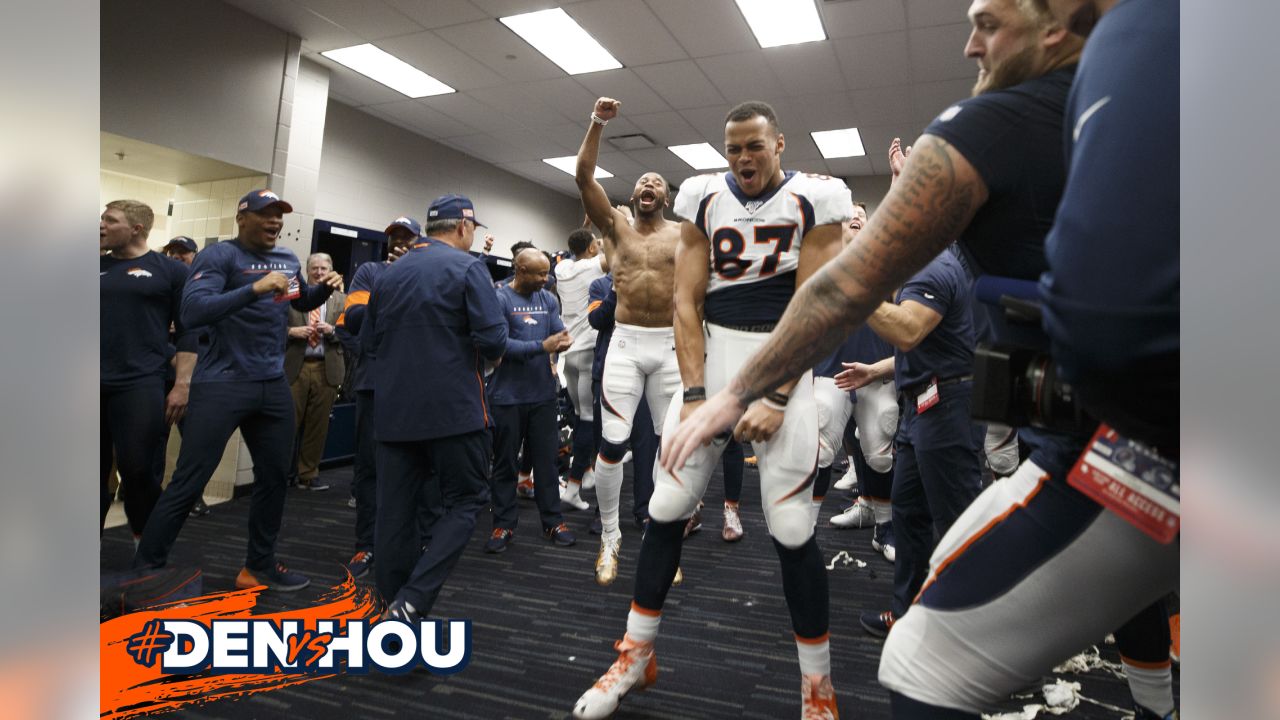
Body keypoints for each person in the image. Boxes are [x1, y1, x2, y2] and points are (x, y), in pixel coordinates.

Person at [662, 2, 1176, 717]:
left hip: (1137, 449)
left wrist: (736, 391)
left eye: (988, 23)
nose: (970, 45)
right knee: (1048, 566)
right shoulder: (1148, 83)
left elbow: (842, 286)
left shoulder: (997, 120)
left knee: (921, 660)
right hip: (1141, 433)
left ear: (1055, 23)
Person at [572, 101, 850, 720]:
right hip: (715, 355)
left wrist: (776, 396)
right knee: (666, 507)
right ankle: (636, 654)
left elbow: (816, 305)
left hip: (783, 357)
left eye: (756, 146)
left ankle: (818, 689)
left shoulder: (818, 197)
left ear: (780, 144)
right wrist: (697, 397)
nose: (744, 158)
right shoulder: (701, 195)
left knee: (792, 531)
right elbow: (686, 302)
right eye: (734, 149)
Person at [133, 189, 342, 593]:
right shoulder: (220, 257)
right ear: (241, 217)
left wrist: (323, 290)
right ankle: (146, 572)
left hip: (271, 382)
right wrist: (254, 289)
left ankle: (258, 566)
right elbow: (192, 312)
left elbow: (295, 296)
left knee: (274, 477)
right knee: (190, 482)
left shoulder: (286, 258)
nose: (274, 222)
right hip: (222, 384)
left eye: (279, 215)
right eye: (265, 214)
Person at [363, 194, 507, 622]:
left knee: (394, 514)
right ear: (464, 227)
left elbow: (368, 342)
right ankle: (410, 602)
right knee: (466, 502)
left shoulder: (386, 275)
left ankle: (393, 612)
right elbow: (495, 341)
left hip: (393, 415)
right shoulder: (469, 267)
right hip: (454, 413)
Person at [852, 242, 985, 638]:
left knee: (957, 522)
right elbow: (925, 345)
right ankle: (908, 614)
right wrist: (875, 370)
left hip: (945, 407)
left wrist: (853, 290)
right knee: (909, 512)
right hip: (920, 407)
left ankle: (975, 634)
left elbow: (907, 330)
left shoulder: (930, 267)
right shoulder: (920, 268)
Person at [574, 96, 682, 585]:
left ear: (666, 197)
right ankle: (610, 538)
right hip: (624, 343)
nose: (648, 185)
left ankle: (663, 543)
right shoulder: (614, 227)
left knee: (668, 450)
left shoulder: (684, 235)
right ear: (633, 194)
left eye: (657, 183)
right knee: (613, 447)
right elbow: (583, 177)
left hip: (670, 349)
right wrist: (598, 123)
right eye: (642, 181)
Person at [334, 216, 426, 580]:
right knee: (369, 467)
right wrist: (374, 353)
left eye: (406, 237)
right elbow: (351, 320)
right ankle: (365, 544)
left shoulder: (427, 273)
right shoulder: (370, 273)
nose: (398, 242)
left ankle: (413, 539)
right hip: (374, 385)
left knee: (418, 466)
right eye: (394, 237)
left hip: (417, 387)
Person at [100, 200, 195, 538]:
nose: (101, 225)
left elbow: (188, 332)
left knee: (138, 469)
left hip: (140, 382)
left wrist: (182, 384)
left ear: (136, 228)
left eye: (110, 220)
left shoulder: (170, 271)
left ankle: (147, 546)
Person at [483, 248, 576, 553]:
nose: (545, 279)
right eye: (538, 273)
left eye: (547, 272)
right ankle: (503, 524)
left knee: (547, 462)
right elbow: (498, 345)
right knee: (505, 463)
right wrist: (542, 346)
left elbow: (555, 334)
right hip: (506, 396)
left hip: (542, 395)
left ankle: (553, 521)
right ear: (520, 270)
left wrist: (561, 342)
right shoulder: (498, 299)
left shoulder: (548, 299)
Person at [555, 228, 608, 512]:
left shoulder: (563, 267)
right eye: (596, 244)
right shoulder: (594, 265)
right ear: (590, 249)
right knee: (588, 418)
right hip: (587, 350)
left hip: (568, 352)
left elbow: (578, 245)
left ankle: (586, 472)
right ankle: (573, 488)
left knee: (577, 415)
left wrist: (586, 225)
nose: (600, 248)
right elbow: (617, 252)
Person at [284, 253, 346, 492]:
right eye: (314, 268)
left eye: (324, 268)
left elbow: (352, 334)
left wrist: (332, 331)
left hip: (326, 368)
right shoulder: (291, 296)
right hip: (295, 367)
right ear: (306, 271)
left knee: (317, 426)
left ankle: (308, 474)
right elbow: (273, 324)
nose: (319, 272)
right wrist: (291, 332)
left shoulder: (342, 300)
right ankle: (282, 473)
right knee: (288, 424)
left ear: (331, 270)